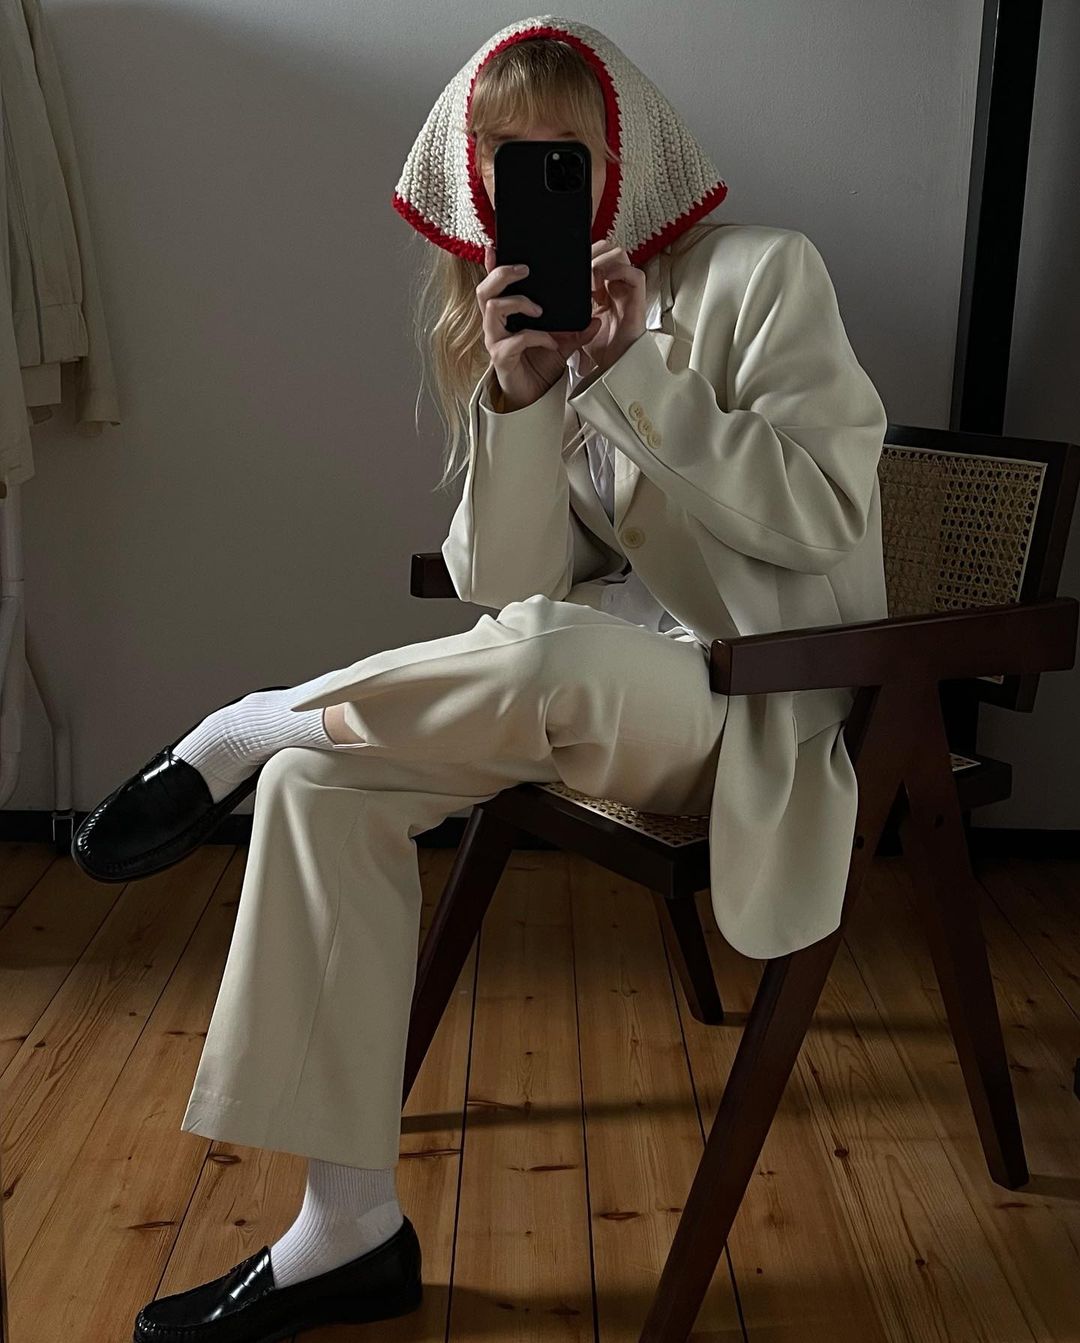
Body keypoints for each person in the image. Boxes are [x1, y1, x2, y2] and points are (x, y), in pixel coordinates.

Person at [71, 15, 890, 1341]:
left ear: (625, 148)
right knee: (314, 788)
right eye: (509, 165)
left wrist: (639, 375)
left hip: (751, 694)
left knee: (542, 656)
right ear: (474, 181)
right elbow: (509, 586)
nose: (540, 190)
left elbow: (821, 518)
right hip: (578, 679)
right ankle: (345, 1232)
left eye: (565, 154)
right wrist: (518, 400)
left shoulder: (762, 274)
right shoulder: (527, 317)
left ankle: (243, 720)